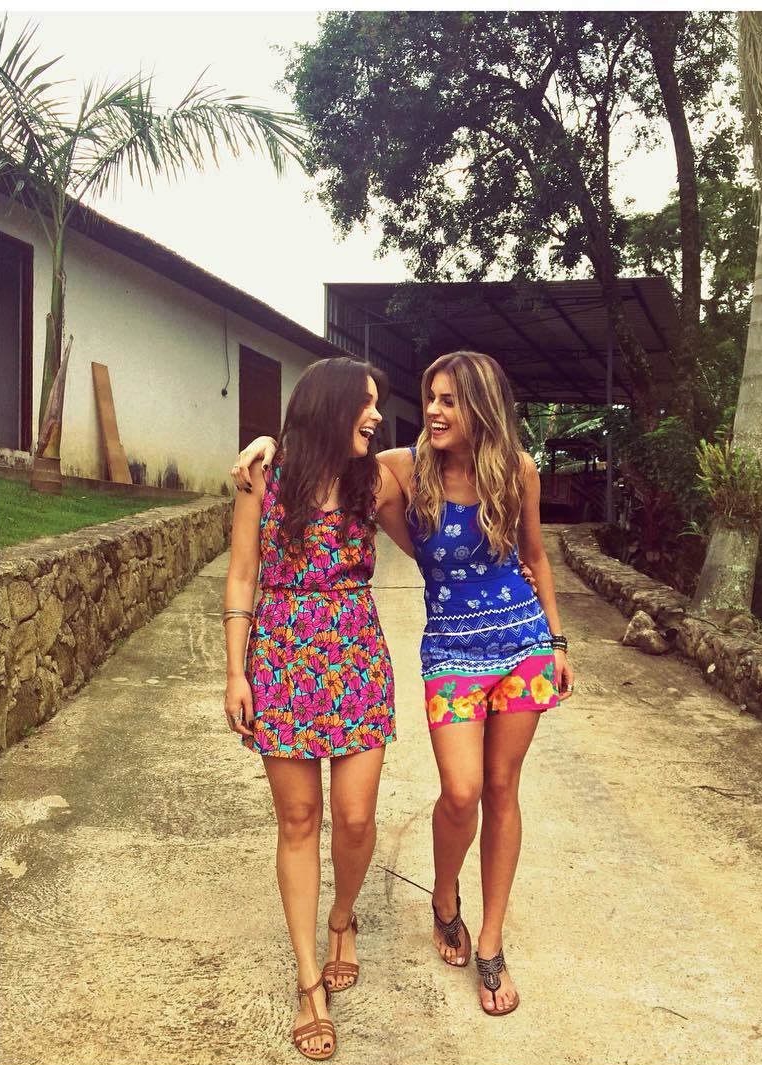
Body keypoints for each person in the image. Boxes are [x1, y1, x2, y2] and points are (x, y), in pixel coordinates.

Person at [232, 350, 573, 1018]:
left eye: (448, 400)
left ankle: (484, 941)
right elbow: (317, 460)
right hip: (422, 651)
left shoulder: (504, 472)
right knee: (459, 791)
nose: (429, 412)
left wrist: (555, 639)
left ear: (481, 408)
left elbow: (523, 553)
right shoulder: (395, 470)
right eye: (430, 398)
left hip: (509, 643)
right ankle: (426, 907)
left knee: (493, 790)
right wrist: (266, 441)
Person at [224, 356, 413, 1060]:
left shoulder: (375, 479)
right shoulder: (263, 478)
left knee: (356, 817)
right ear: (327, 406)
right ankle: (309, 983)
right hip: (280, 658)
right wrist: (234, 673)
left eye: (377, 403)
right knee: (299, 820)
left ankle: (342, 918)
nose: (376, 415)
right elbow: (242, 575)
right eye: (364, 402)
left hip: (356, 656)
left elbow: (441, 460)